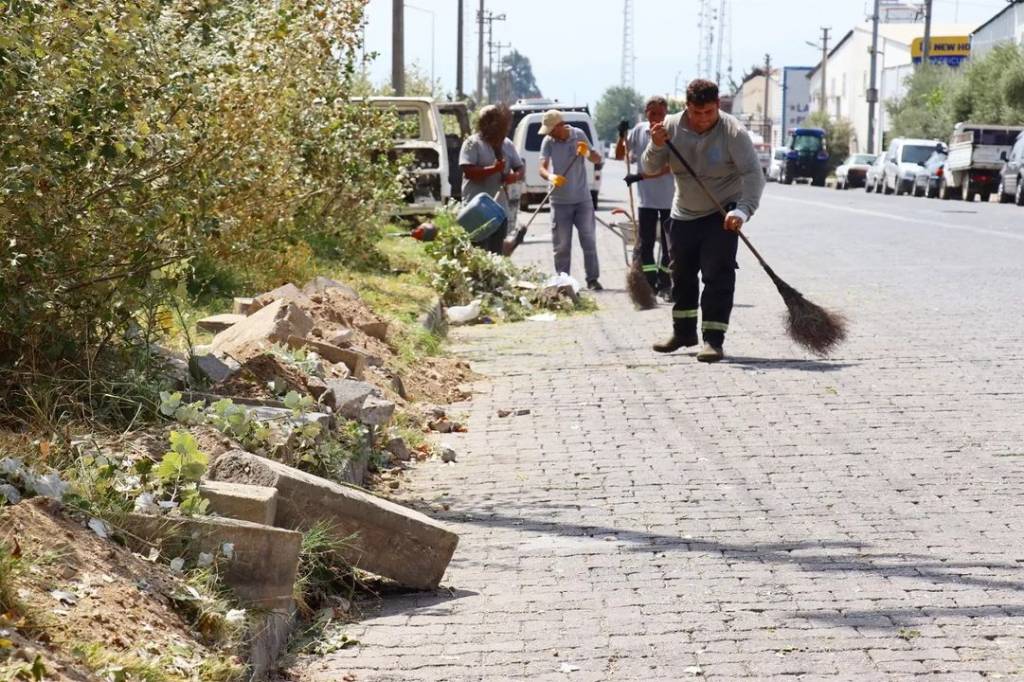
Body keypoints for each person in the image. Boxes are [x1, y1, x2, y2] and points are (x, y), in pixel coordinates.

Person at [642, 79, 766, 363]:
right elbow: (650, 167)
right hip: (683, 212)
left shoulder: (733, 131)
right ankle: (683, 333)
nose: (702, 119)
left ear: (717, 106)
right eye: (697, 113)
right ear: (686, 107)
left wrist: (743, 211)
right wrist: (656, 144)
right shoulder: (670, 126)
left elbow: (753, 175)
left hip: (722, 213)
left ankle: (713, 340)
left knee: (717, 275)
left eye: (709, 112)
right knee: (681, 275)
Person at [615, 95, 674, 299]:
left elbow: (669, 167)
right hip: (646, 200)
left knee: (669, 247)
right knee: (645, 245)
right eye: (652, 113)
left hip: (670, 199)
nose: (656, 117)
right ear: (646, 112)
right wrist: (621, 136)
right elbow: (620, 154)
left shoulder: (671, 131)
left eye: (660, 113)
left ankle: (666, 283)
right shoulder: (640, 130)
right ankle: (650, 284)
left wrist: (641, 175)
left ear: (665, 113)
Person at [538, 110, 604, 290]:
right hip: (559, 202)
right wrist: (551, 176)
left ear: (560, 125)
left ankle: (592, 279)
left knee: (589, 241)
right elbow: (541, 168)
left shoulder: (579, 135)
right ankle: (563, 281)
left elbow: (597, 159)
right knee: (561, 245)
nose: (549, 133)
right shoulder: (548, 141)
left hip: (582, 200)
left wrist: (587, 152)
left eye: (551, 129)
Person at [459, 104, 524, 254]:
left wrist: (514, 176)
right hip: (476, 210)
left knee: (496, 254)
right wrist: (493, 169)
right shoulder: (472, 143)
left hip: (499, 210)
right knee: (478, 252)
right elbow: (468, 171)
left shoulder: (507, 144)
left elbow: (520, 168)